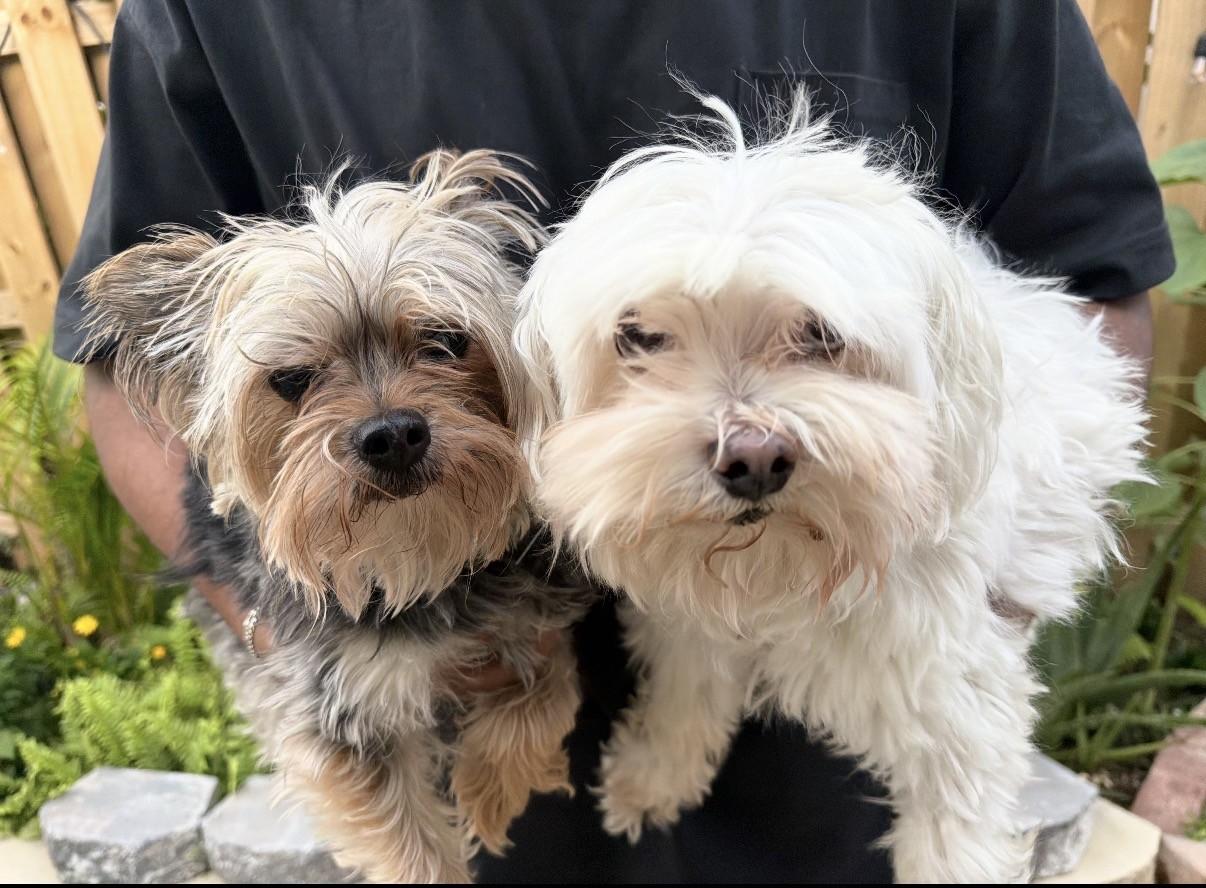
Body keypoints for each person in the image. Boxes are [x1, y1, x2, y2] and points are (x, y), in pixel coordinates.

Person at [57, 1, 1169, 881]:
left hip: (853, 771)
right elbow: (123, 368)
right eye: (641, 341)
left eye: (444, 343)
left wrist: (1008, 556)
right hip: (492, 827)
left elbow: (1090, 263)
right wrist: (302, 643)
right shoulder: (217, 12)